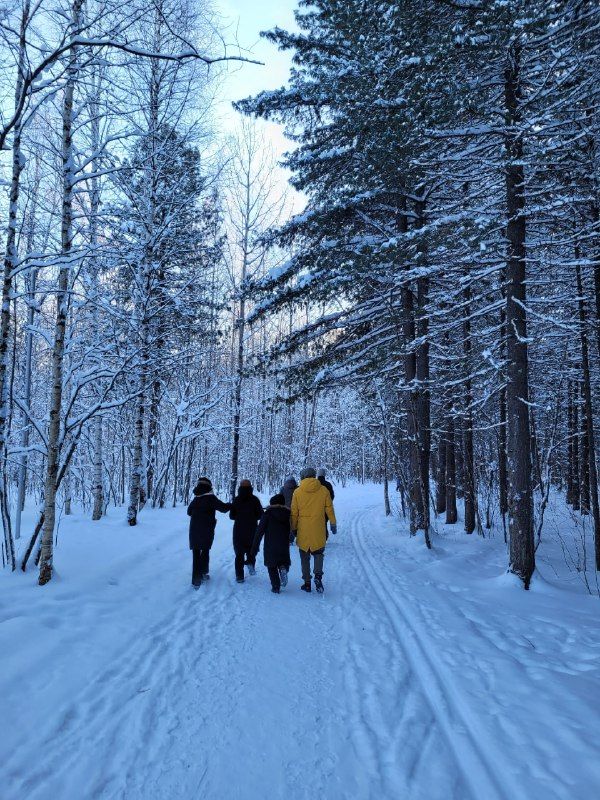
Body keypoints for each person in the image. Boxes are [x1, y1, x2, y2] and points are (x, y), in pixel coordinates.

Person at [291, 467, 337, 593]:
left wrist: (293, 528)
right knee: (318, 553)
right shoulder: (323, 490)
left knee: (304, 556)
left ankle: (307, 582)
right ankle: (318, 576)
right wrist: (333, 523)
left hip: (303, 529)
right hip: (318, 527)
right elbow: (329, 508)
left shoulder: (297, 492)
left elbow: (294, 513)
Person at [187, 477, 231, 588]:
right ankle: (203, 573)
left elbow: (189, 512)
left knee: (196, 553)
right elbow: (223, 508)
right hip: (206, 529)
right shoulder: (210, 498)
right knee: (205, 550)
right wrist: (231, 505)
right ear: (208, 486)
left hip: (194, 529)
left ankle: (196, 580)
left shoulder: (196, 498)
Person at [252, 493, 291, 594]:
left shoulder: (267, 514)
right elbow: (293, 528)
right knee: (283, 561)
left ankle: (276, 586)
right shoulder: (288, 514)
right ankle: (283, 568)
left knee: (271, 565)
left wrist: (254, 547)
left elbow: (259, 531)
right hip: (284, 544)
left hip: (271, 545)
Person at [230, 479, 263, 583]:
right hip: (252, 529)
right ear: (250, 487)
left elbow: (231, 516)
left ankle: (239, 576)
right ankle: (251, 564)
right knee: (251, 550)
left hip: (238, 529)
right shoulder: (255, 500)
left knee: (239, 554)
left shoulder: (236, 499)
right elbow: (260, 515)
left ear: (240, 487)